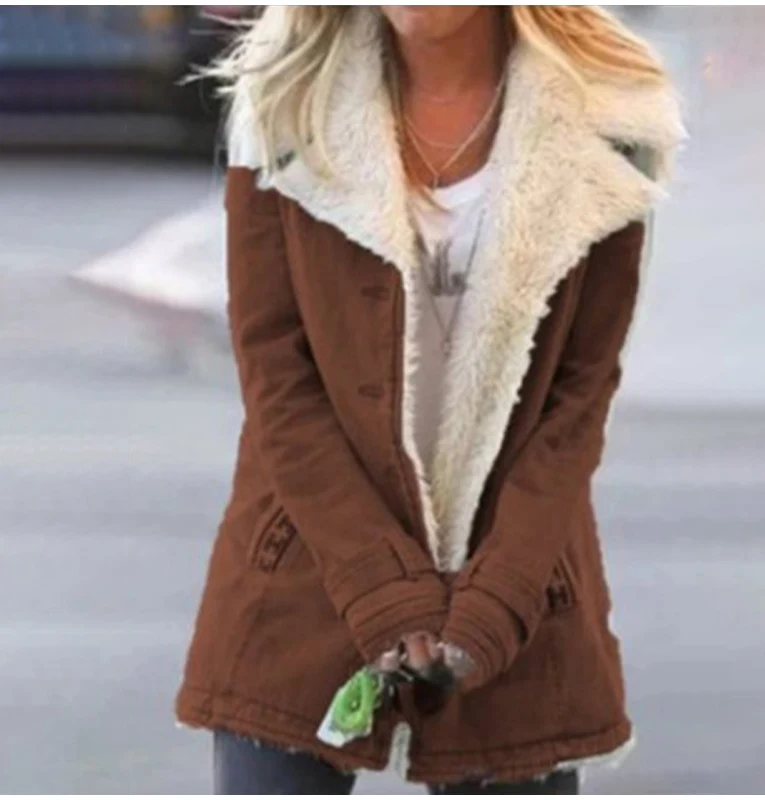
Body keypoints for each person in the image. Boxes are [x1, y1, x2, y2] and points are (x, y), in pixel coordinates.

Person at [176, 6, 684, 794]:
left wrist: (501, 597)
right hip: (312, 550)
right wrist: (376, 580)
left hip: (517, 570)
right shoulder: (283, 93)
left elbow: (578, 400)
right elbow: (276, 373)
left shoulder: (611, 114)